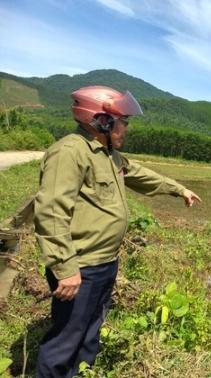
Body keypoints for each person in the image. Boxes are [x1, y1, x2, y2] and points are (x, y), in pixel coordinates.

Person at [33, 86, 201, 377]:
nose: (127, 128)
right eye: (123, 121)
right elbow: (51, 211)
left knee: (89, 335)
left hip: (105, 264)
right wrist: (65, 267)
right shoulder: (71, 152)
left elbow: (141, 176)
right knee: (64, 342)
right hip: (81, 268)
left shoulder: (109, 156)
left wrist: (179, 189)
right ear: (102, 121)